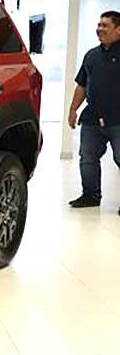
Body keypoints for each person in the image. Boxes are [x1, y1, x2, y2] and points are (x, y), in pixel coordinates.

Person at [68, 11, 120, 213]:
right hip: (92, 118)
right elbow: (81, 84)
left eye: (105, 25)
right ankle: (90, 195)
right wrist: (73, 109)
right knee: (87, 158)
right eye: (99, 25)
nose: (99, 29)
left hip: (118, 118)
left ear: (118, 29)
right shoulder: (91, 55)